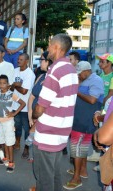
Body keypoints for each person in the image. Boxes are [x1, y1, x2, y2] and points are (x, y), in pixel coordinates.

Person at [32, 34, 78, 191]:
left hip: (48, 132)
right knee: (55, 174)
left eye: (50, 44)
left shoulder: (55, 70)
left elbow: (40, 107)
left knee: (44, 177)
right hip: (61, 132)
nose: (48, 48)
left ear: (58, 47)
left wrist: (33, 117)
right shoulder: (71, 69)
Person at [63, 61, 104, 190]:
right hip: (80, 120)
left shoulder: (96, 80)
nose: (79, 76)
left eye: (80, 74)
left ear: (87, 71)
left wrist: (77, 91)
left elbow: (92, 99)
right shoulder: (84, 80)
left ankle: (76, 179)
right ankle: (82, 171)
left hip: (85, 121)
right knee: (82, 147)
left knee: (77, 148)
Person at [0, 75, 25, 173]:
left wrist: (14, 113)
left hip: (8, 122)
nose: (2, 85)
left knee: (10, 142)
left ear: (8, 85)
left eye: (4, 83)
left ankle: (11, 162)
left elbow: (23, 103)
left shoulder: (11, 94)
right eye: (0, 83)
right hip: (0, 122)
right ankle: (6, 158)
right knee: (3, 141)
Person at [27, 51, 53, 162]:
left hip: (44, 118)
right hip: (34, 114)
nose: (40, 63)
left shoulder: (53, 79)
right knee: (33, 136)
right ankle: (33, 155)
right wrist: (30, 115)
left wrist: (37, 118)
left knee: (40, 139)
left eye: (41, 60)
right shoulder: (41, 76)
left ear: (48, 61)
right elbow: (32, 96)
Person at [10, 53, 35, 158]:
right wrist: (16, 85)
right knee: (17, 126)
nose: (18, 61)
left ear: (27, 61)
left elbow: (24, 91)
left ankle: (26, 148)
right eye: (18, 59)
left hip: (25, 107)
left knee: (27, 129)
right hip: (15, 105)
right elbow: (10, 87)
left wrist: (15, 85)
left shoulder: (30, 74)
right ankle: (17, 143)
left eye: (21, 59)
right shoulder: (14, 71)